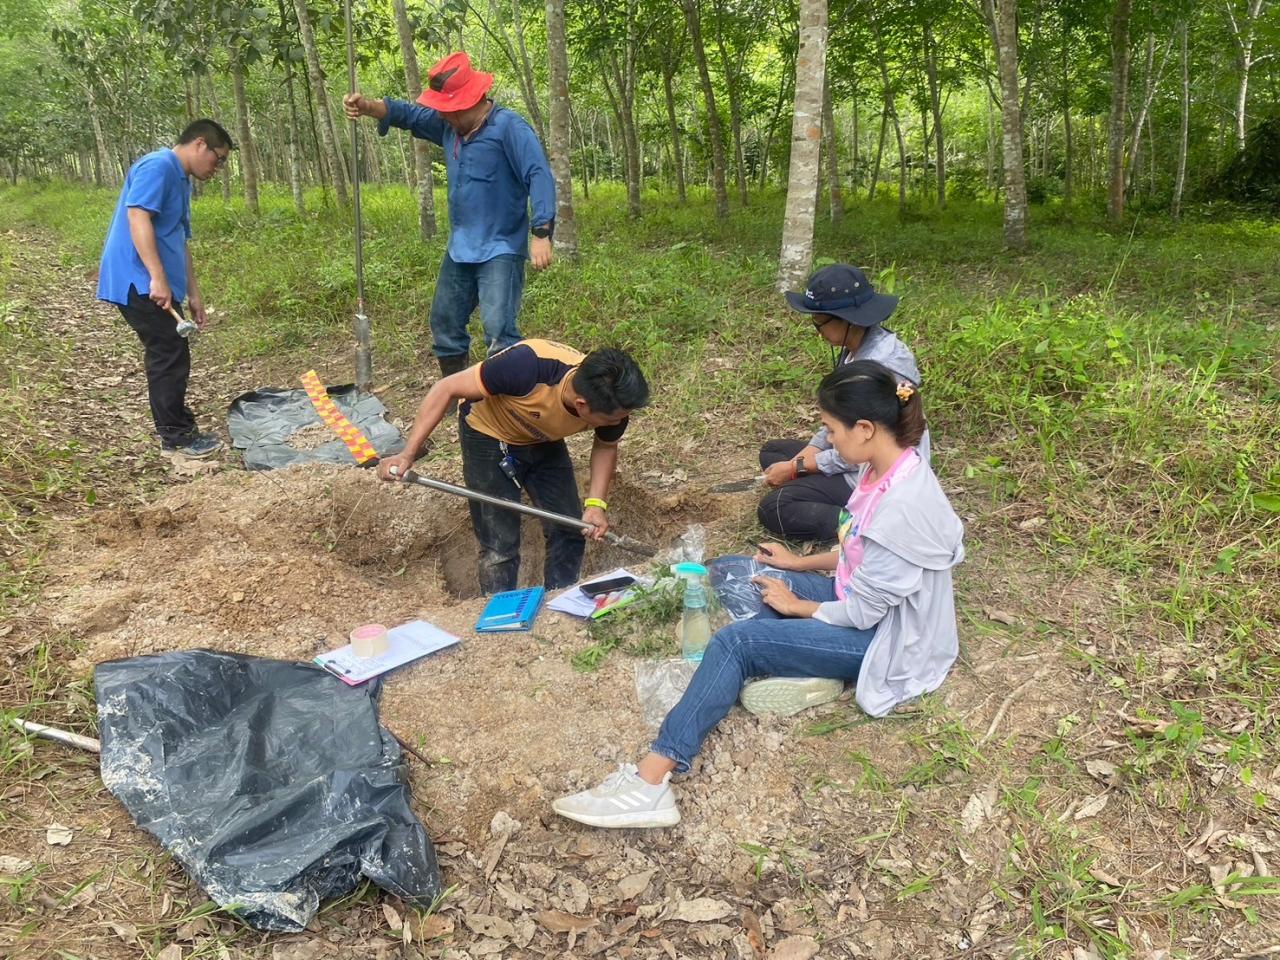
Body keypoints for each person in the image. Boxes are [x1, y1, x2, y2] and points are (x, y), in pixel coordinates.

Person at [553, 361, 963, 828]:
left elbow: (866, 611)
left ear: (865, 428)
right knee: (735, 571)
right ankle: (798, 667)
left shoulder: (902, 506)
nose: (826, 440)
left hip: (885, 638)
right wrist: (793, 564)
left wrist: (798, 605)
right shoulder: (880, 471)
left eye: (830, 430)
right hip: (854, 596)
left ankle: (650, 782)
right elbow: (857, 555)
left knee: (736, 643)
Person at [344, 51, 556, 396]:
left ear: (470, 101)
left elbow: (539, 174)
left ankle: (504, 403)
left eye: (447, 107)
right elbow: (408, 114)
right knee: (445, 322)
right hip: (460, 248)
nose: (441, 114)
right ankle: (458, 393)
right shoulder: (449, 125)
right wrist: (368, 106)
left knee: (499, 330)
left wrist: (542, 232)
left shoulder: (509, 128)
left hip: (500, 248)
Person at [378, 339, 649, 594]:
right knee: (500, 544)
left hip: (543, 437)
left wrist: (595, 505)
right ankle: (501, 619)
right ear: (582, 405)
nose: (619, 423)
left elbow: (606, 446)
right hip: (487, 432)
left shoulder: (614, 408)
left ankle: (559, 606)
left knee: (569, 528)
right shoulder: (525, 366)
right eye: (612, 419)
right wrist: (407, 454)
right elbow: (446, 388)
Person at [758, 263, 927, 542]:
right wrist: (805, 456)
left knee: (775, 507)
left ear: (846, 320)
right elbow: (838, 423)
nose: (817, 331)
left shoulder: (881, 369)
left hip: (874, 474)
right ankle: (822, 494)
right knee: (773, 452)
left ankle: (865, 525)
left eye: (819, 323)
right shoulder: (856, 349)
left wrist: (798, 468)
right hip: (856, 455)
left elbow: (862, 450)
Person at [97, 119, 234, 459]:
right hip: (137, 279)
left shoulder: (181, 181)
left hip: (157, 283)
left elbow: (178, 238)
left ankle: (179, 429)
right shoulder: (158, 166)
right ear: (200, 144)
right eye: (218, 159)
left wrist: (193, 292)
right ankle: (175, 438)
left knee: (173, 350)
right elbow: (137, 216)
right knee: (168, 352)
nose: (218, 168)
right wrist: (156, 278)